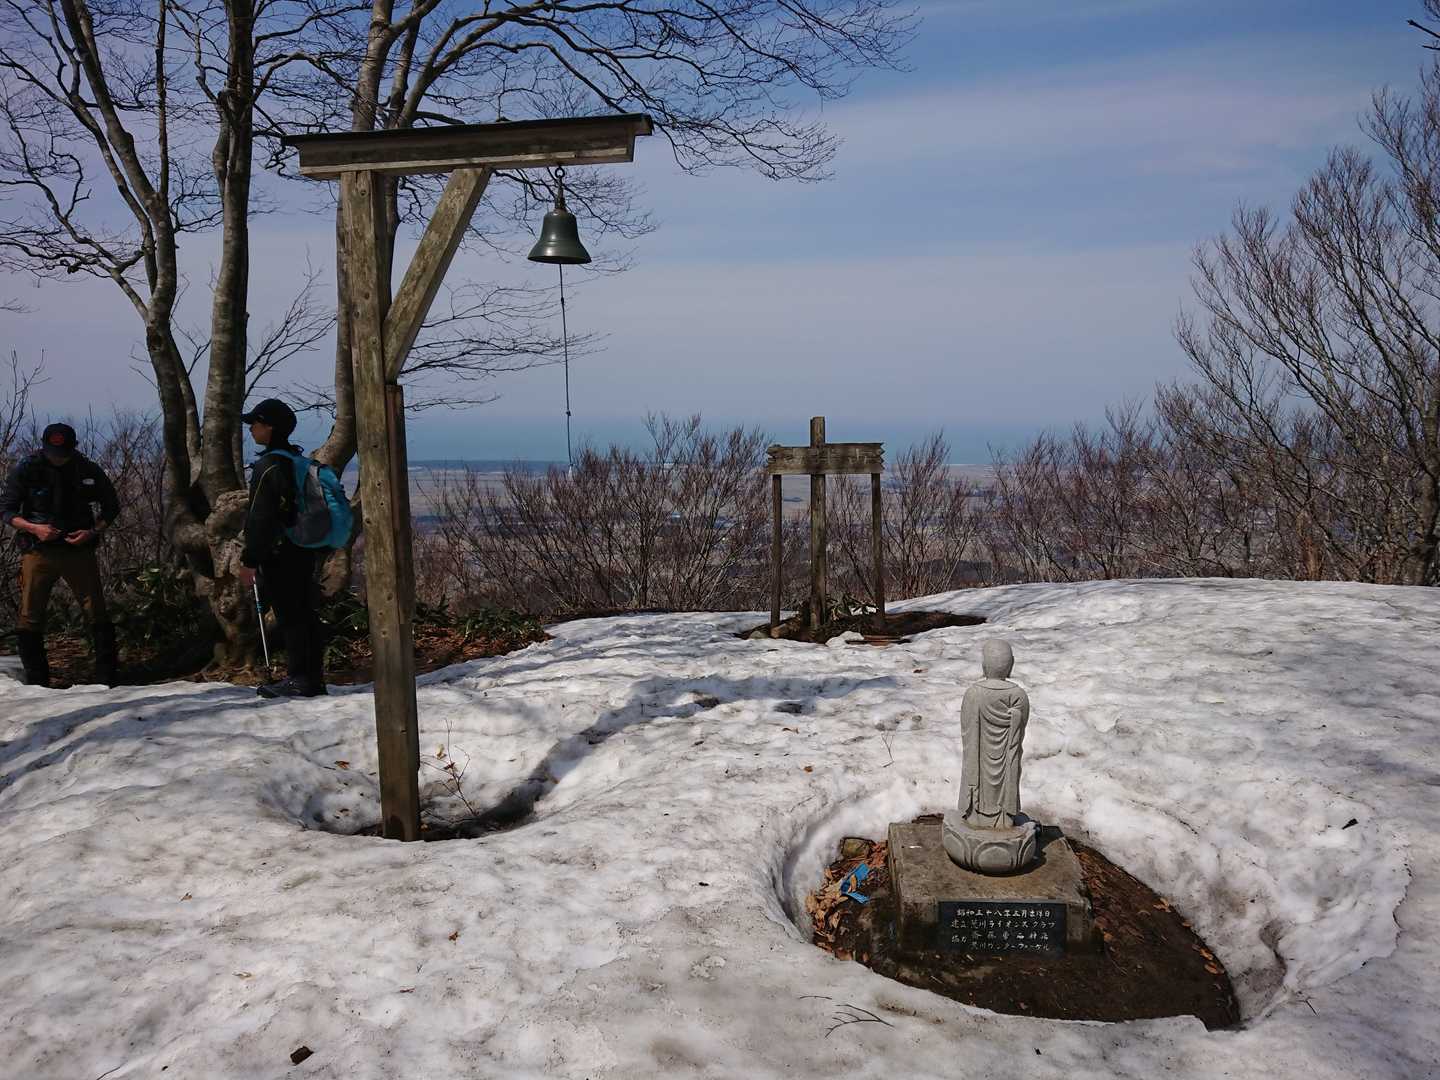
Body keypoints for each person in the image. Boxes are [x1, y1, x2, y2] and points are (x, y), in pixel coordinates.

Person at [1, 422, 121, 687]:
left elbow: (111, 506)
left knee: (96, 612)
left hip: (78, 550)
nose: (58, 458)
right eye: (53, 453)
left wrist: (92, 531)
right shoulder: (28, 468)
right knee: (30, 615)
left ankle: (107, 678)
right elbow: (7, 510)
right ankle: (37, 682)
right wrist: (35, 528)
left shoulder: (87, 469)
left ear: (73, 447)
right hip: (38, 550)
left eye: (63, 454)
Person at [238, 398, 327, 698]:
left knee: (291, 616)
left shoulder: (269, 466)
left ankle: (300, 679)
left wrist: (250, 560)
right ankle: (312, 678)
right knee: (305, 612)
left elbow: (260, 518)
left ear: (270, 427)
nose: (251, 428)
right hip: (303, 547)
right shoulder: (294, 460)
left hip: (280, 553)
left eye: (255, 423)